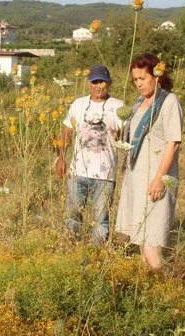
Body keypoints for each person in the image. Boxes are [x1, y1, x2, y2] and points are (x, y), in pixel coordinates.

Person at [115, 53, 184, 272]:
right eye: (135, 80)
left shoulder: (169, 101)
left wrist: (159, 179)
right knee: (141, 239)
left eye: (142, 78)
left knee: (151, 241)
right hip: (136, 178)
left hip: (155, 178)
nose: (138, 84)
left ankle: (162, 287)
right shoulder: (138, 104)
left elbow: (173, 142)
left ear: (157, 76)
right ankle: (149, 288)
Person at [55, 64, 124, 245]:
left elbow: (127, 137)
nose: (98, 86)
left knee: (101, 220)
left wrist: (120, 134)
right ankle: (70, 249)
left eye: (102, 82)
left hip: (105, 175)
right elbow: (66, 132)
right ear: (88, 84)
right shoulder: (79, 104)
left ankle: (96, 256)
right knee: (72, 216)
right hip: (77, 172)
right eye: (94, 82)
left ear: (109, 83)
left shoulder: (118, 106)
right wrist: (60, 157)